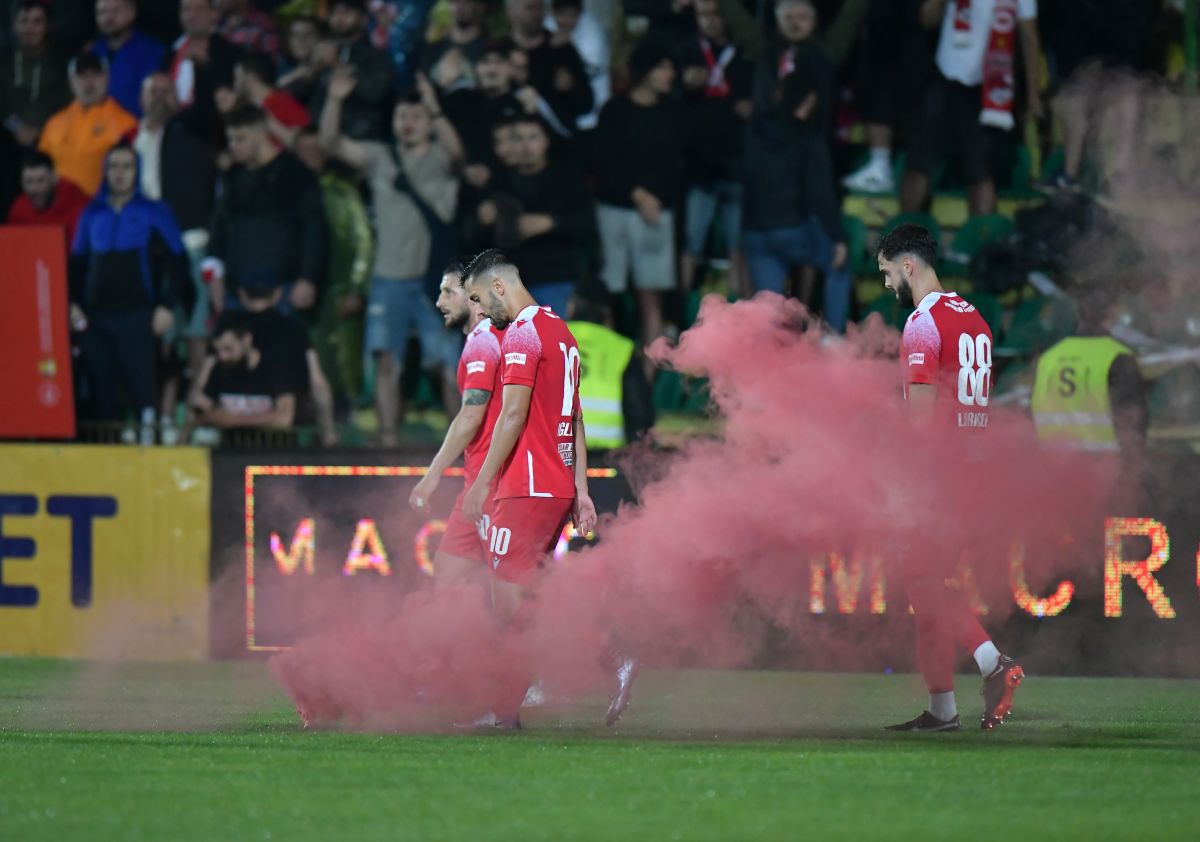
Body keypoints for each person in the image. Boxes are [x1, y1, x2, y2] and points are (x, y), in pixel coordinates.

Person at [460, 249, 637, 728]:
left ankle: (607, 657)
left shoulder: (522, 333)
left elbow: (513, 415)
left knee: (509, 603)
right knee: (525, 596)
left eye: (478, 298)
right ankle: (507, 709)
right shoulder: (561, 331)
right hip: (554, 485)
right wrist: (580, 490)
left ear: (499, 288)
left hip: (528, 485)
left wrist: (481, 482)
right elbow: (574, 419)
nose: (481, 311)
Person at [875, 223, 1024, 731]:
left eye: (887, 272)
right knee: (926, 587)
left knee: (921, 580)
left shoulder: (922, 323)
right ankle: (942, 710)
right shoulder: (974, 317)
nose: (886, 284)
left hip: (940, 475)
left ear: (908, 266)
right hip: (974, 472)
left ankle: (993, 664)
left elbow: (922, 423)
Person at [319, 64, 463, 446]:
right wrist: (334, 100)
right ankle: (387, 442)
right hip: (388, 278)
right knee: (386, 361)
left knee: (449, 367)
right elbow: (330, 143)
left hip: (437, 282)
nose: (408, 123)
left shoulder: (440, 159)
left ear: (429, 122)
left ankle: (465, 450)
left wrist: (435, 107)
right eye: (402, 116)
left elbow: (458, 153)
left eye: (416, 116)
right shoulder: (380, 157)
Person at [70, 141, 193, 442]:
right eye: (114, 166)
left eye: (127, 166)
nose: (120, 173)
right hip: (97, 315)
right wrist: (72, 303)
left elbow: (179, 262)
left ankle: (148, 446)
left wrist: (167, 305)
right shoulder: (91, 213)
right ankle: (106, 451)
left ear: (137, 171)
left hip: (138, 312)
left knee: (142, 385)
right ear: (105, 171)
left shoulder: (154, 211)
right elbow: (77, 263)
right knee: (101, 387)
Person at [740, 0, 849, 330]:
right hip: (795, 229)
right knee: (838, 266)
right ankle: (833, 338)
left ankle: (771, 355)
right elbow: (820, 190)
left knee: (769, 313)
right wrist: (837, 237)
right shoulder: (809, 136)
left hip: (757, 232)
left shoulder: (752, 132)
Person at [592, 41, 686, 372]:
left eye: (671, 68)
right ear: (644, 70)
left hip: (658, 212)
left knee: (652, 297)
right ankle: (606, 373)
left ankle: (647, 377)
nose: (669, 74)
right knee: (609, 294)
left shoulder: (673, 113)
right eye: (662, 67)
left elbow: (677, 164)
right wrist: (636, 194)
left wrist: (653, 197)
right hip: (615, 210)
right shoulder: (615, 111)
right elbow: (603, 160)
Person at [409, 259, 505, 586]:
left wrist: (431, 476)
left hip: (496, 487)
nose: (439, 302)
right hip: (480, 484)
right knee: (448, 573)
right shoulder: (490, 337)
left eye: (448, 292)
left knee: (510, 589)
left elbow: (470, 415)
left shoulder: (483, 342)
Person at [900, 0, 1043, 216]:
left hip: (989, 88)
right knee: (918, 164)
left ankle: (980, 235)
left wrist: (1033, 94)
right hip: (943, 77)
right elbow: (927, 19)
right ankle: (903, 232)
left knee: (981, 172)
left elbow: (1029, 36)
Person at [128, 72, 218, 391]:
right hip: (146, 249)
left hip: (191, 242)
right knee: (160, 336)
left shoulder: (190, 137)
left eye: (166, 91)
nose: (159, 97)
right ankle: (159, 412)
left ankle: (199, 405)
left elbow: (207, 114)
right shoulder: (128, 142)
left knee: (197, 332)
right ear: (140, 98)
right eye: (152, 91)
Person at [206, 103, 327, 315]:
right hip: (237, 291)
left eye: (241, 139)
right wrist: (214, 275)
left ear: (262, 132)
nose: (233, 146)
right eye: (230, 139)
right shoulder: (231, 177)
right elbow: (219, 228)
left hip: (283, 289)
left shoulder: (295, 173)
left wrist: (308, 278)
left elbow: (314, 229)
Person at [478, 112, 594, 318]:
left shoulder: (567, 177)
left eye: (533, 137)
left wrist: (551, 223)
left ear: (546, 141)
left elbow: (588, 224)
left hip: (557, 279)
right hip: (509, 286)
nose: (525, 146)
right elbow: (474, 238)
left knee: (554, 339)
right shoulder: (498, 181)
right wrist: (482, 219)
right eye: (518, 138)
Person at [294, 126, 373, 408]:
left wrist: (356, 287)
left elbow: (362, 240)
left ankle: (344, 414)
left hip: (336, 288)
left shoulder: (341, 189)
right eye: (304, 149)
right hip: (297, 285)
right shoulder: (288, 188)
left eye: (316, 149)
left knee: (340, 356)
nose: (310, 155)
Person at [678, 0, 753, 295]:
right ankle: (680, 311)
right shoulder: (688, 50)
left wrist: (750, 106)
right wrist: (684, 84)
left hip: (737, 164)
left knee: (738, 247)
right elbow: (673, 97)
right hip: (700, 165)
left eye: (715, 14)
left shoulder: (745, 52)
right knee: (692, 244)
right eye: (702, 15)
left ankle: (742, 314)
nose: (709, 21)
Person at [190, 310, 299, 442]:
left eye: (228, 349)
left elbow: (285, 418)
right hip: (230, 451)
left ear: (247, 340)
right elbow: (197, 413)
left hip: (272, 450)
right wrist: (206, 370)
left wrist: (234, 421)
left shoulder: (275, 369)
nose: (223, 357)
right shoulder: (221, 369)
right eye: (218, 351)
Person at [567, 287, 655, 450]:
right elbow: (639, 410)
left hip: (557, 453)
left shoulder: (547, 340)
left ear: (572, 306)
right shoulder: (622, 348)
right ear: (608, 314)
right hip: (606, 455)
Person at [39, 52, 137, 195]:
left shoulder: (127, 124)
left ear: (107, 78)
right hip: (62, 206)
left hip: (101, 206)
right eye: (82, 76)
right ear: (71, 81)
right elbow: (41, 171)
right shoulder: (54, 124)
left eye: (95, 75)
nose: (89, 82)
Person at [307, 0, 397, 141]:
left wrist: (336, 64)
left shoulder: (376, 57)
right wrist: (311, 71)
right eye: (334, 13)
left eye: (346, 12)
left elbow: (377, 93)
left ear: (363, 19)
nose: (339, 18)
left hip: (363, 140)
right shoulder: (321, 53)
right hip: (321, 137)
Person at [504, 0, 593, 131]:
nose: (536, 14)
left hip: (557, 136)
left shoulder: (563, 49)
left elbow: (587, 104)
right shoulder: (500, 51)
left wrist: (572, 87)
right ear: (510, 12)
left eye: (540, 8)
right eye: (529, 8)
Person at [169, 0, 243, 142]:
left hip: (212, 135)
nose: (192, 15)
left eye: (199, 9)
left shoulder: (230, 52)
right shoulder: (171, 51)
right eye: (187, 9)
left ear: (214, 14)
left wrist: (205, 67)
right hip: (174, 130)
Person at [0, 0, 71, 147]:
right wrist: (17, 127)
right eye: (23, 21)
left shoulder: (62, 61)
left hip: (54, 136)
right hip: (8, 136)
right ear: (14, 25)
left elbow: (67, 102)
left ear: (47, 26)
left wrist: (42, 129)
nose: (29, 28)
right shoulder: (4, 59)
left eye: (36, 22)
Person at [90, 0, 165, 118]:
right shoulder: (93, 52)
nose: (108, 18)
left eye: (115, 11)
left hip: (133, 123)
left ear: (131, 13)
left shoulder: (150, 51)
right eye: (102, 12)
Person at [226, 51, 310, 147]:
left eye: (237, 78)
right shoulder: (247, 109)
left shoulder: (282, 101)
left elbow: (303, 143)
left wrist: (267, 120)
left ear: (251, 78)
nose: (235, 85)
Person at [7, 150, 90, 246]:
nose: (35, 188)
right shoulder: (19, 209)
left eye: (41, 180)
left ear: (54, 178)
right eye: (29, 182)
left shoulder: (76, 202)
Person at [420, 0, 489, 82]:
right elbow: (421, 79)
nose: (460, 7)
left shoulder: (489, 48)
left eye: (467, 2)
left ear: (480, 7)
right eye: (455, 1)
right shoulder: (434, 47)